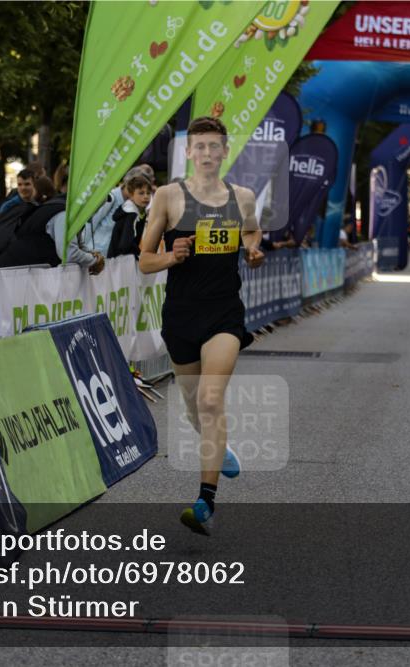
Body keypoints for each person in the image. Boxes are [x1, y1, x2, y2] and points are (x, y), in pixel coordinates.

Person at [138, 116, 264, 535]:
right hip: (181, 315)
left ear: (225, 151)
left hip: (224, 312)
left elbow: (251, 233)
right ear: (189, 153)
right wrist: (171, 256)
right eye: (200, 147)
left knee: (211, 400)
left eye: (215, 146)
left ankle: (205, 500)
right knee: (194, 407)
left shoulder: (242, 197)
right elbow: (145, 260)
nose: (208, 154)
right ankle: (220, 448)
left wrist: (253, 250)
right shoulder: (168, 197)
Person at [87, 164, 156, 255]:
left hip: (113, 257)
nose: (145, 195)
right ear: (129, 184)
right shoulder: (111, 197)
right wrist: (85, 252)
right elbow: (92, 223)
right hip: (96, 253)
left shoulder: (134, 205)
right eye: (140, 188)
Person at [107, 174, 152, 259]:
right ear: (131, 195)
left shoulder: (140, 212)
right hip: (120, 261)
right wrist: (140, 254)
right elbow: (125, 245)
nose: (146, 196)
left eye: (148, 193)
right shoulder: (131, 214)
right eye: (141, 193)